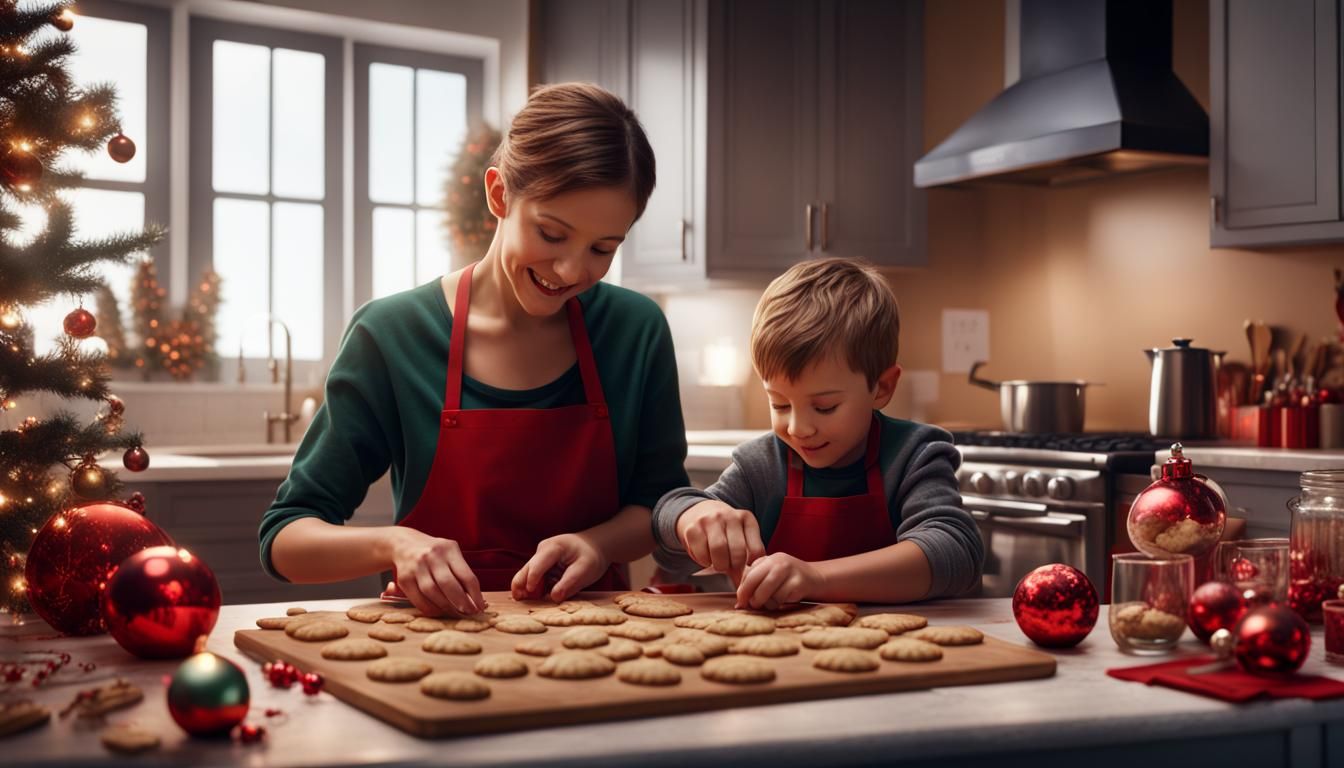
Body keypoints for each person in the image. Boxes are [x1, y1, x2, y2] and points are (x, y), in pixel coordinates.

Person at [260, 83, 689, 617]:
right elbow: (285, 539)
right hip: (433, 649)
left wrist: (597, 544)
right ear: (499, 194)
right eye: (551, 233)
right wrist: (395, 543)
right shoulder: (392, 335)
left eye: (604, 248)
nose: (573, 271)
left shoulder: (636, 330)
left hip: (597, 635)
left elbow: (658, 506)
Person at [652, 257, 982, 608]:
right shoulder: (761, 467)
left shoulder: (914, 455)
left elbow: (955, 552)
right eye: (779, 404)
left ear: (882, 388)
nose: (798, 428)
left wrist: (815, 578)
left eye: (824, 407)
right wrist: (693, 517)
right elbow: (669, 537)